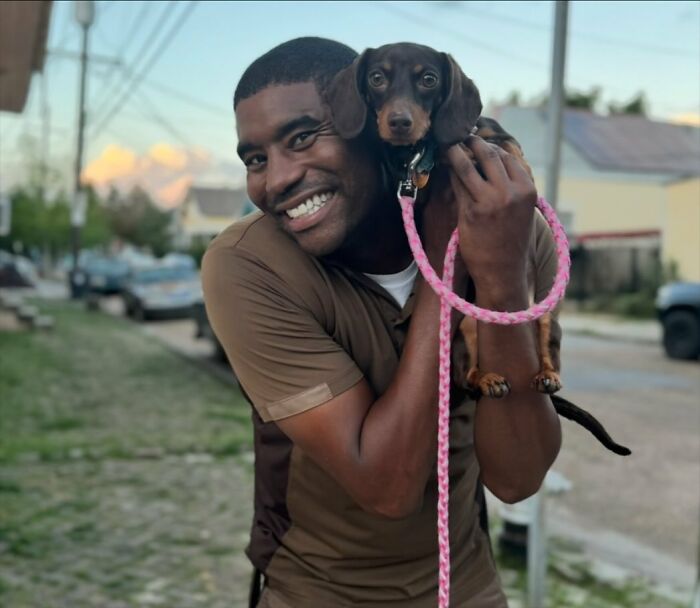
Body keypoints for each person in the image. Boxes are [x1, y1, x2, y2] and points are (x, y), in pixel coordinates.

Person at [202, 37, 562, 607]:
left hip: (463, 590)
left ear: (368, 127)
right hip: (315, 594)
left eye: (302, 138)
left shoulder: (507, 229)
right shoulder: (248, 265)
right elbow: (388, 487)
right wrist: (447, 265)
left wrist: (497, 278)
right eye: (255, 159)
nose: (276, 181)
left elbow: (517, 479)